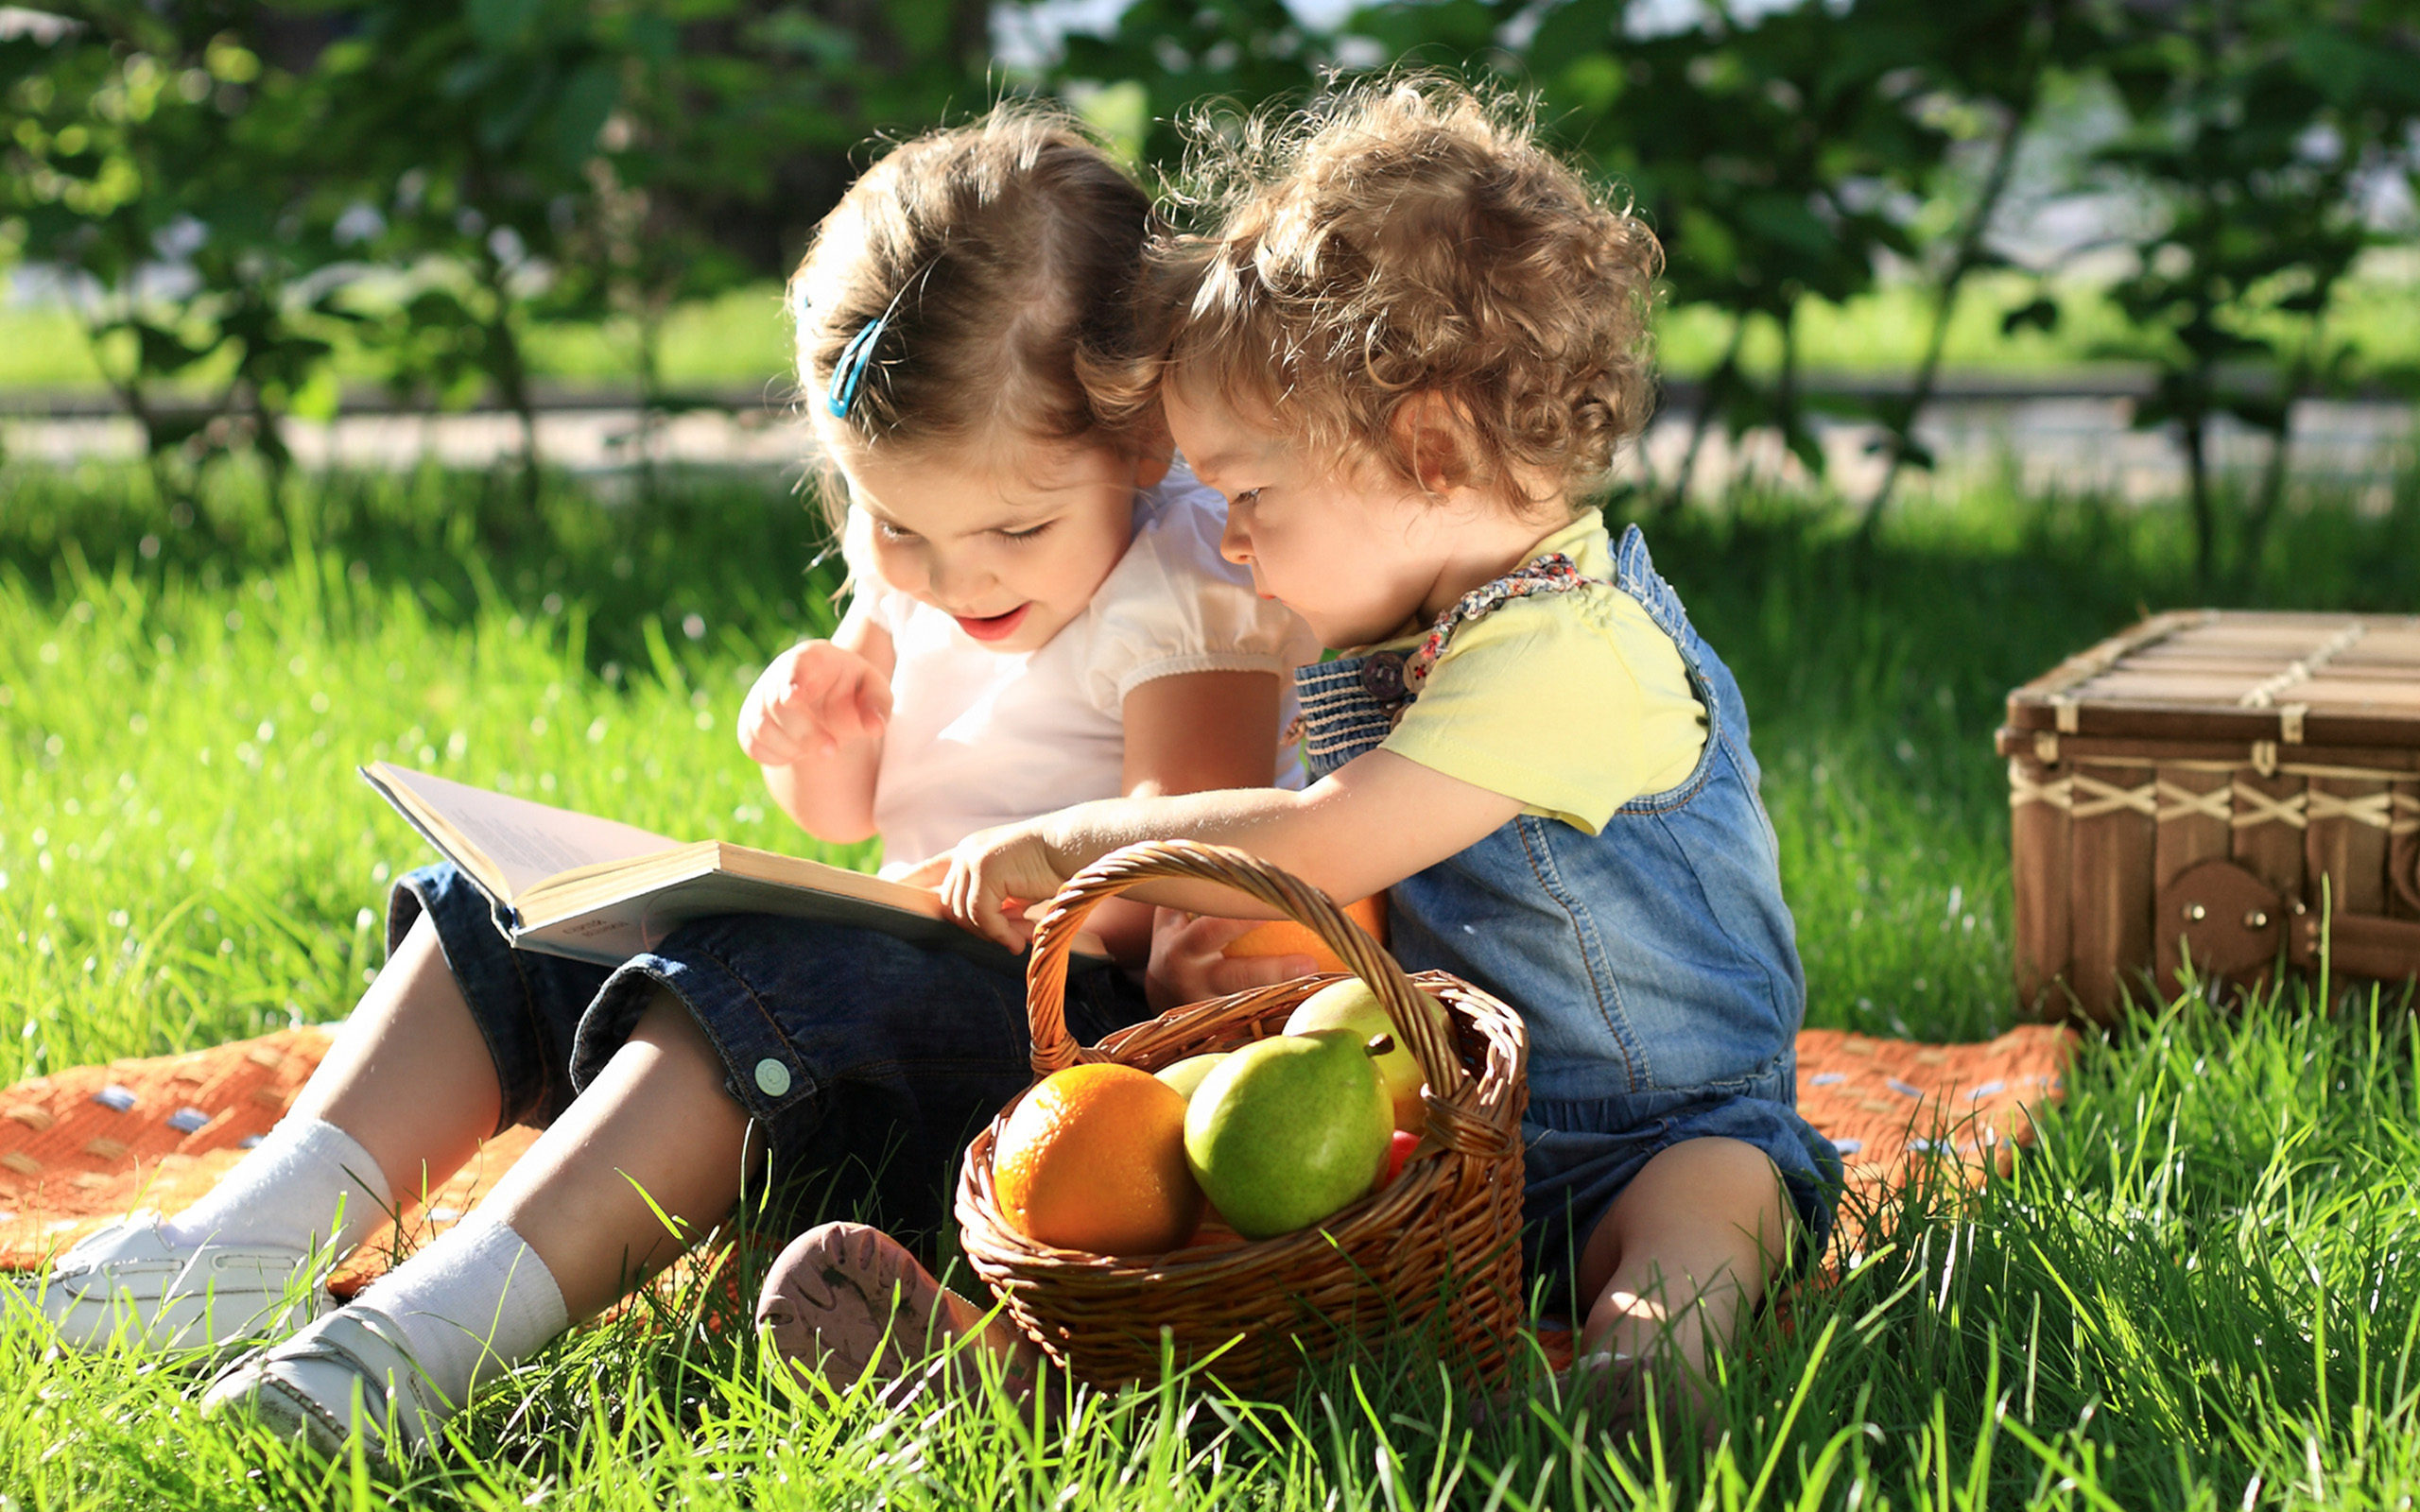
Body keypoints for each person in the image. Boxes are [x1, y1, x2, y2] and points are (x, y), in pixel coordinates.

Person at [30, 105, 1316, 1462]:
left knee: (766, 984)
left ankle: (420, 1346)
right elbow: (856, 818)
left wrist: (1037, 895)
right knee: (516, 907)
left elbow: (1182, 886)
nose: (952, 578)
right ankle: (253, 1237)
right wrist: (826, 747)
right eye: (895, 525)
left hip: (1064, 1041)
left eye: (1012, 529)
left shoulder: (1181, 596)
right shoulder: (931, 566)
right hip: (881, 993)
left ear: (1142, 444)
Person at [761, 79, 1840, 1425]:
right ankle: (1041, 1379)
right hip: (1441, 1141)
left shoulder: (1574, 653)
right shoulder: (1408, 629)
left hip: (1655, 1134)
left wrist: (1076, 843)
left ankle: (1637, 1381)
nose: (1227, 538)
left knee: (1710, 1210)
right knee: (1238, 1204)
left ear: (1429, 450)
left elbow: (1325, 841)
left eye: (1252, 494)